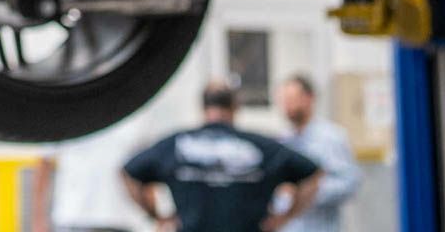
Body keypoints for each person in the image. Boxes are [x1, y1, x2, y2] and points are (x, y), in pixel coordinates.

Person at [122, 81, 321, 232]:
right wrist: (284, 218)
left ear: (203, 108)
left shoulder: (176, 144)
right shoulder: (261, 147)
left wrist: (157, 217)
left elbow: (128, 174)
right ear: (235, 107)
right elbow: (313, 174)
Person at [33, 114, 149, 232]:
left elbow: (148, 169)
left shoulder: (136, 115)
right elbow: (44, 164)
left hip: (124, 220)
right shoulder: (66, 114)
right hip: (74, 217)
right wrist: (39, 220)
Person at [277, 75, 361, 232]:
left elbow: (349, 182)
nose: (286, 105)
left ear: (309, 98)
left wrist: (308, 192)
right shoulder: (283, 140)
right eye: (283, 100)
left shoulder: (331, 137)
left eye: (291, 99)